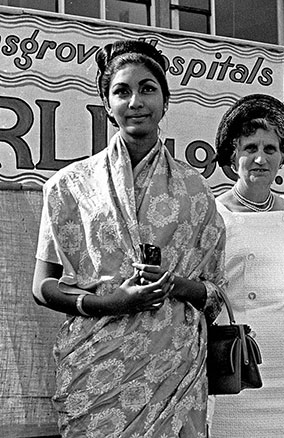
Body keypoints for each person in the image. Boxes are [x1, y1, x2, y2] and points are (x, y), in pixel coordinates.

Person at [31, 39, 226, 437]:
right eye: (122, 91)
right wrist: (107, 302)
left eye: (147, 88)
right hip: (95, 368)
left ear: (166, 101)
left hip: (174, 367)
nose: (135, 101)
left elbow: (216, 293)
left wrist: (174, 284)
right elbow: (42, 286)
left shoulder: (195, 189)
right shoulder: (68, 187)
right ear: (107, 104)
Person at [209, 94, 284, 437]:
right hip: (242, 367)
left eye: (270, 149)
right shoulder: (215, 214)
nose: (260, 158)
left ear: (283, 156)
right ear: (234, 155)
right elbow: (206, 293)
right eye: (250, 148)